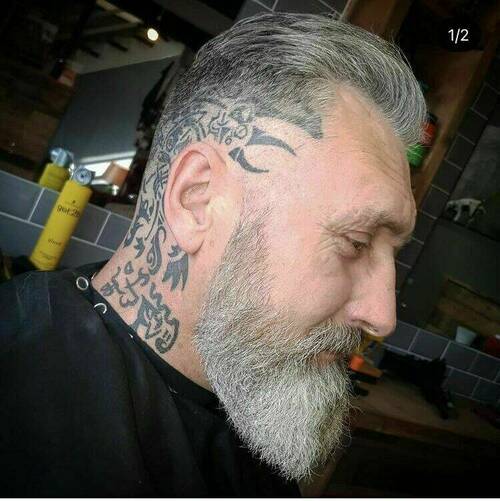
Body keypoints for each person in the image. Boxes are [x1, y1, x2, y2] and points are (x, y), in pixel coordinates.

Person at [0, 12, 426, 496]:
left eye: (392, 253)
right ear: (196, 200)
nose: (382, 316)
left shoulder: (257, 397)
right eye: (356, 242)